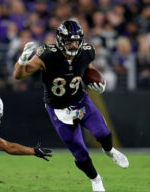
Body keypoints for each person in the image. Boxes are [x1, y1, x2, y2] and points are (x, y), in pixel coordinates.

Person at [13, 19, 129, 192]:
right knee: (80, 153)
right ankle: (96, 180)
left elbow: (87, 68)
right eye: (69, 41)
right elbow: (18, 75)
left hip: (79, 100)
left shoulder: (87, 51)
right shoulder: (47, 54)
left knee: (102, 132)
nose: (73, 45)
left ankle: (110, 151)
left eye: (76, 41)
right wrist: (22, 59)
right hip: (58, 109)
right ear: (60, 41)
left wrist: (97, 81)